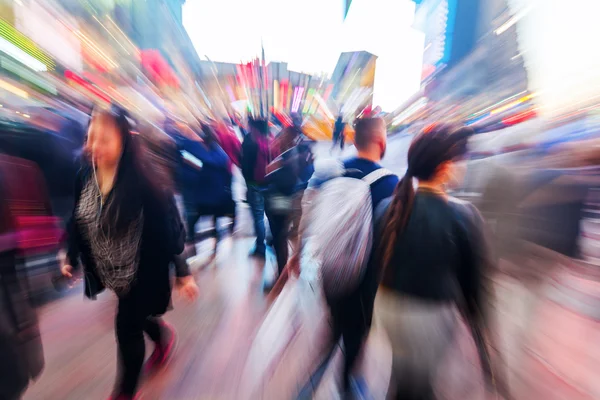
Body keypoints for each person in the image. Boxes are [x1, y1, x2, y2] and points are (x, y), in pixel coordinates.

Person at [60, 106, 198, 400]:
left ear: (124, 140)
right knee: (138, 314)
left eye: (104, 139)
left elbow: (170, 229)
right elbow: (77, 218)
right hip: (109, 266)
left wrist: (184, 273)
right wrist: (70, 256)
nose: (95, 147)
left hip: (145, 268)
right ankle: (163, 336)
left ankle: (124, 392)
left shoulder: (146, 182)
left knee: (126, 326)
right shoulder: (85, 174)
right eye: (91, 137)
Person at [374, 124, 489, 399]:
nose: (462, 167)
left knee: (403, 377)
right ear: (444, 167)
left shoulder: (389, 208)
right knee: (421, 388)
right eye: (459, 161)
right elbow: (473, 285)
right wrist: (480, 329)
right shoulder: (462, 215)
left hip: (388, 309)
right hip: (430, 315)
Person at [322, 117, 399, 395]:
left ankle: (333, 341)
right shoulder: (390, 183)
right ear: (380, 141)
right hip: (363, 277)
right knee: (356, 333)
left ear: (355, 141)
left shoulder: (335, 171)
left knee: (337, 320)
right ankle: (345, 384)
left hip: (329, 266)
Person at [241, 118, 271, 258]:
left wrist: (248, 185)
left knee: (258, 217)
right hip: (270, 184)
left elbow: (246, 167)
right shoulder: (270, 141)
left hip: (255, 184)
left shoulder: (251, 143)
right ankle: (271, 240)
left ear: (255, 128)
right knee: (270, 215)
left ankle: (260, 246)